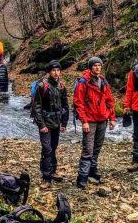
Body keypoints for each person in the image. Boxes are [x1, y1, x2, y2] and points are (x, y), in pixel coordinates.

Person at [74, 57, 116, 189]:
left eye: (99, 65)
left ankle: (93, 170)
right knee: (88, 149)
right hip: (90, 121)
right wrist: (84, 121)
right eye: (95, 65)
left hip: (102, 119)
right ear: (90, 67)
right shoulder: (83, 82)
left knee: (97, 147)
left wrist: (112, 118)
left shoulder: (103, 81)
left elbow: (109, 100)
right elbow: (78, 103)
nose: (98, 67)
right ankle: (82, 177)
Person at [31, 60, 69, 189]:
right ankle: (46, 177)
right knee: (47, 149)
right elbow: (36, 107)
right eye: (53, 70)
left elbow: (65, 105)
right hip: (45, 123)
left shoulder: (62, 86)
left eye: (58, 70)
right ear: (49, 72)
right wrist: (41, 125)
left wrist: (64, 122)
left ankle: (53, 171)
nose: (56, 72)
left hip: (57, 123)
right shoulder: (42, 86)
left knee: (53, 147)